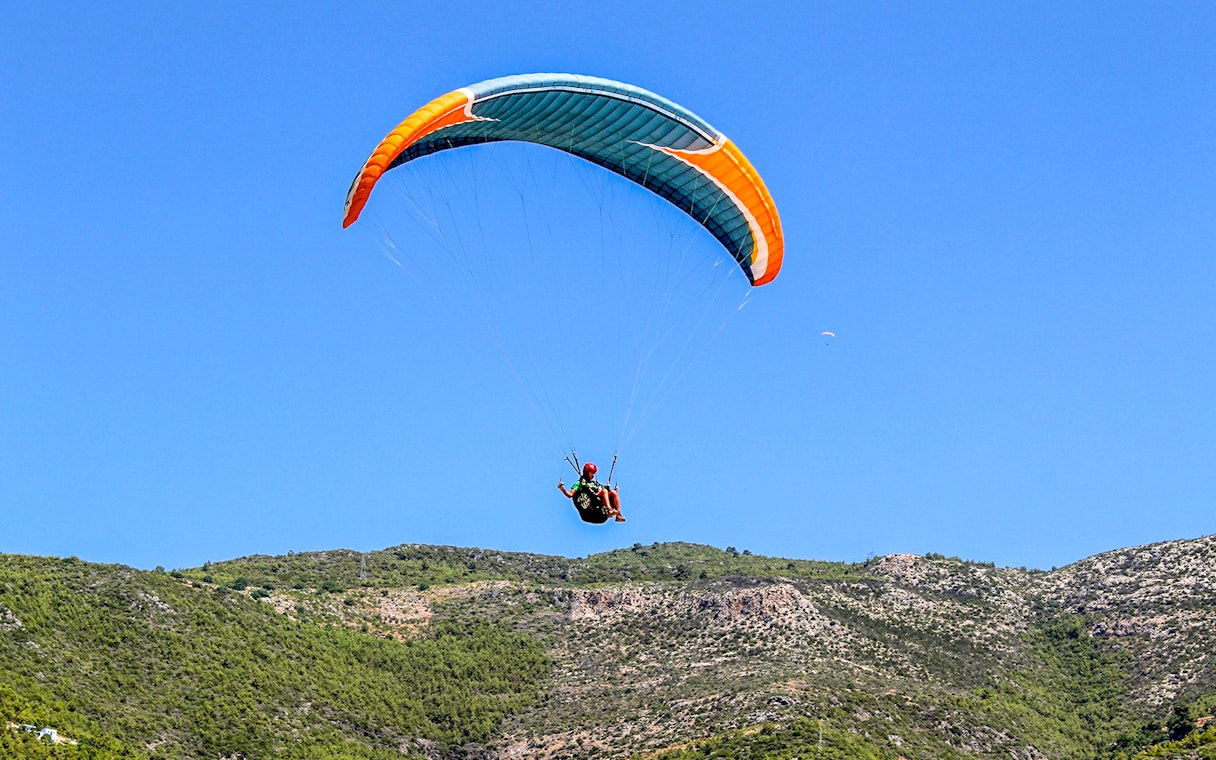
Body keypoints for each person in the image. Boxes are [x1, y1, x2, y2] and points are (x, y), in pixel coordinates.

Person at [558, 462, 625, 523]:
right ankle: (609, 510)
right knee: (604, 491)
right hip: (589, 510)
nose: (593, 475)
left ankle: (618, 516)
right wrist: (562, 489)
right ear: (587, 472)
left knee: (613, 492)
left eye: (594, 473)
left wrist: (615, 492)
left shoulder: (594, 483)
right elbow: (570, 495)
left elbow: (605, 494)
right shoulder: (579, 483)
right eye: (592, 472)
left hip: (599, 513)